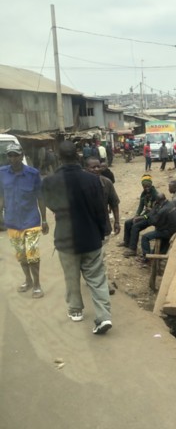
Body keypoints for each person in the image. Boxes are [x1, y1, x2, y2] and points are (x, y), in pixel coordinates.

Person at [41, 141, 112, 335]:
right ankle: (104, 316)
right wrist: (103, 230)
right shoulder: (92, 180)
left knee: (71, 277)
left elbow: (52, 206)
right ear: (78, 155)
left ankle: (76, 310)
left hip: (66, 239)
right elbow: (100, 210)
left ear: (58, 156)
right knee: (97, 279)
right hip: (90, 237)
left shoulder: (49, 181)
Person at [0, 143, 49, 298]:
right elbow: (1, 196)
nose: (13, 158)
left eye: (16, 155)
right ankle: (27, 280)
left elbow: (40, 197)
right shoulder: (2, 173)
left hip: (31, 221)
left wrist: (44, 220)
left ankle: (37, 285)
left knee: (32, 254)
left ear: (22, 155)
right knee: (21, 255)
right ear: (7, 157)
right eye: (10, 155)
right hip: (12, 221)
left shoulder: (33, 174)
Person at [84, 157, 121, 294]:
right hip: (85, 228)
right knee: (89, 256)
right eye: (92, 167)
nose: (96, 169)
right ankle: (92, 279)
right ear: (85, 169)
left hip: (103, 227)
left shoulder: (106, 183)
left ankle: (103, 283)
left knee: (102, 256)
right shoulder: (80, 185)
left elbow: (114, 203)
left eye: (98, 167)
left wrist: (117, 221)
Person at [119, 175, 158, 255]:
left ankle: (133, 249)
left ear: (151, 185)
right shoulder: (143, 194)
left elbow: (154, 212)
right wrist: (137, 215)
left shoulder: (156, 195)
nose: (146, 188)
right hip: (146, 214)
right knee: (128, 223)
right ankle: (127, 242)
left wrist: (142, 217)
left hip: (152, 217)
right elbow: (141, 206)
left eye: (148, 186)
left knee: (135, 226)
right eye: (144, 186)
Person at [139, 193, 176, 265]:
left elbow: (153, 221)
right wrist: (143, 217)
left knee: (145, 237)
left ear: (158, 201)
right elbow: (148, 215)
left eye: (156, 201)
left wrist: (151, 212)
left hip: (168, 231)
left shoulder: (163, 210)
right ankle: (156, 253)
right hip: (172, 228)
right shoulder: (170, 204)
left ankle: (147, 257)